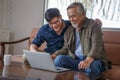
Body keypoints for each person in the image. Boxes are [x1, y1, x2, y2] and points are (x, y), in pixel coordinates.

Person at [51, 2, 111, 73]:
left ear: (83, 14)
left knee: (91, 67)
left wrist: (87, 61)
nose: (71, 19)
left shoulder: (94, 25)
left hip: (93, 60)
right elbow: (65, 48)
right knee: (59, 59)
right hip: (76, 60)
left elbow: (96, 46)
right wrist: (53, 56)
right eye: (69, 17)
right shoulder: (69, 30)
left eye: (73, 16)